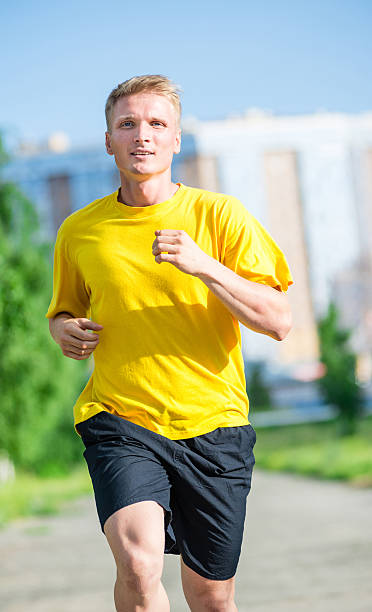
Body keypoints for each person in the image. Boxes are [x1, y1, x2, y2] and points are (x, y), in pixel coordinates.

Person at [46, 74, 293, 612]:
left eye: (157, 124)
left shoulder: (220, 216)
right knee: (138, 564)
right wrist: (62, 329)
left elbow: (278, 321)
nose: (143, 136)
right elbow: (63, 311)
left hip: (214, 424)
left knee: (210, 597)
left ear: (177, 139)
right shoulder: (80, 230)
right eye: (127, 124)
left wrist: (204, 265)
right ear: (109, 139)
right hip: (121, 417)